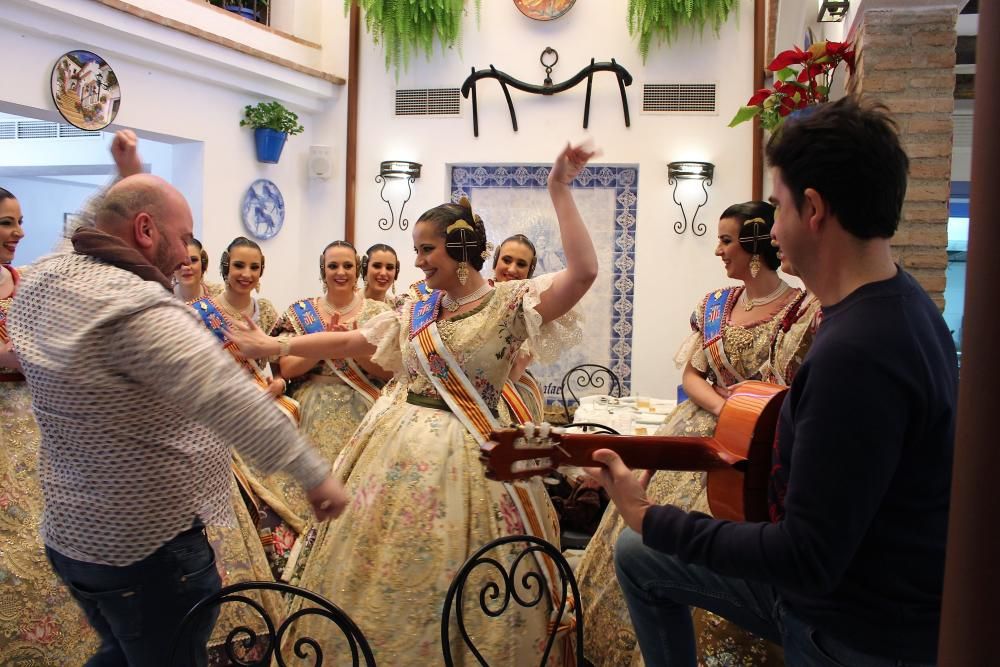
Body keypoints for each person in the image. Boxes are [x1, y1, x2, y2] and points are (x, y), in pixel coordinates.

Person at [591, 97, 957, 667]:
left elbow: (807, 556)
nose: (773, 231)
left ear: (813, 209)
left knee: (642, 539)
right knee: (638, 556)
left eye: (780, 208)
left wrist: (651, 516)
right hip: (851, 589)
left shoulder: (858, 351)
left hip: (848, 624)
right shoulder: (900, 304)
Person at [230, 142, 599, 664]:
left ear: (462, 252)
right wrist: (276, 346)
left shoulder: (511, 303)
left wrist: (558, 187)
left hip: (474, 459)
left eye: (427, 250)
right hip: (393, 446)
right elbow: (353, 341)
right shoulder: (417, 307)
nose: (418, 261)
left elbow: (582, 273)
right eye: (418, 249)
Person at [6, 130, 348, 666]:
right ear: (145, 230)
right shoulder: (139, 309)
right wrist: (315, 475)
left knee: (123, 651)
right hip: (147, 546)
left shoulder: (46, 276)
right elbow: (229, 399)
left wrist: (127, 177)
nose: (189, 249)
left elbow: (97, 227)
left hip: (72, 536)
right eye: (184, 235)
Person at [576, 201, 798, 666]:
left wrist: (744, 419)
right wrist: (726, 407)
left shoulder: (802, 310)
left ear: (755, 245)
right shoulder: (715, 304)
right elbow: (693, 374)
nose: (718, 250)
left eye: (726, 240)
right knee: (636, 536)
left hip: (755, 446)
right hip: (702, 428)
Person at [1, 187, 102, 663]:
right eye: (6, 222)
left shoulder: (22, 280)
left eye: (18, 221)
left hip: (36, 419)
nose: (18, 232)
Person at [271, 240, 391, 465]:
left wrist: (353, 349)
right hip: (310, 404)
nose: (340, 272)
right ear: (323, 271)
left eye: (348, 266)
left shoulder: (379, 312)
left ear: (357, 271)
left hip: (364, 401)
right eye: (333, 266)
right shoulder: (301, 311)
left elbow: (389, 372)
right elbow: (286, 369)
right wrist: (325, 345)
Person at [491, 234, 546, 424]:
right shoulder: (475, 294)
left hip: (508, 396)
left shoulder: (531, 306)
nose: (512, 269)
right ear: (495, 261)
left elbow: (516, 369)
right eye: (506, 260)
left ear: (530, 270)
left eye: (521, 264)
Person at [173, 237, 222, 301]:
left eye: (193, 260)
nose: (186, 267)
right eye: (180, 260)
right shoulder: (160, 299)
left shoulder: (219, 296)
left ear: (203, 263)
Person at [361, 242, 402, 306]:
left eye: (389, 268)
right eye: (377, 266)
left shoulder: (398, 307)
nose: (383, 273)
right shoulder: (350, 303)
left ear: (396, 272)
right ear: (365, 268)